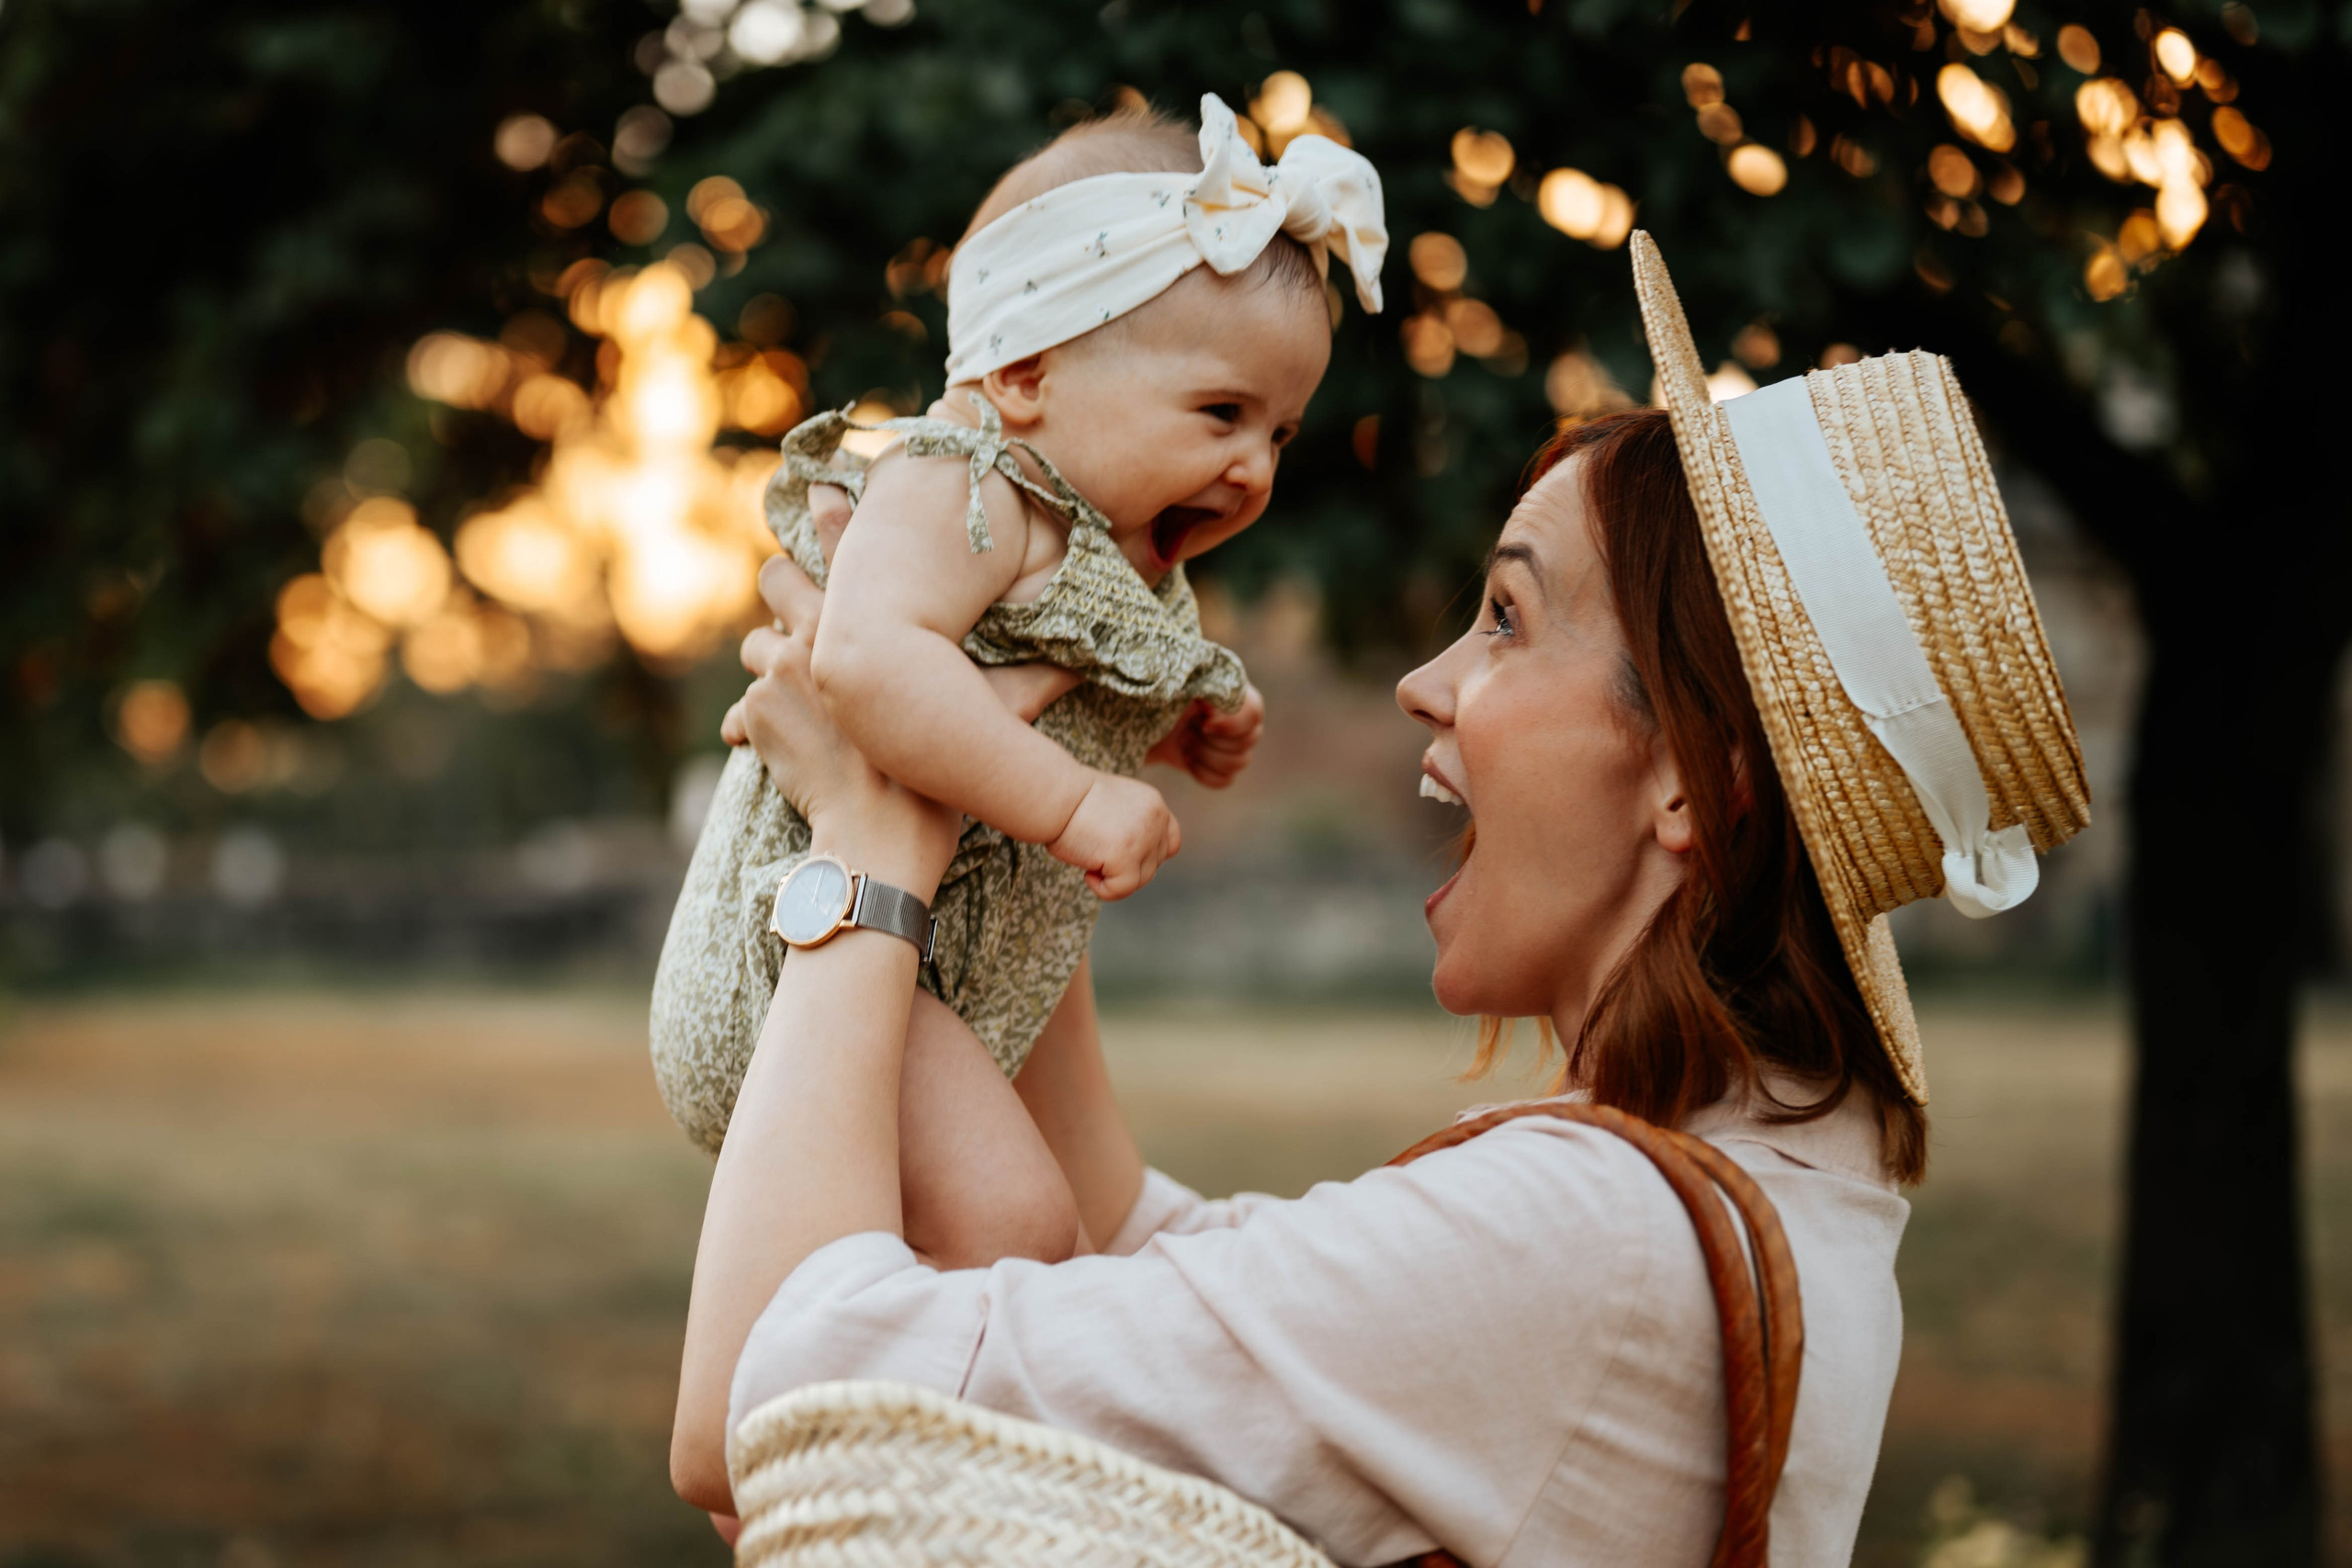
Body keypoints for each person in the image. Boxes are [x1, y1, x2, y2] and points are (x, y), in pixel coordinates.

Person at [668, 233, 2093, 1564]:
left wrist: (862, 843)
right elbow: (1124, 1242)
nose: (1428, 681)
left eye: (1509, 619)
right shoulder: (1721, 1199)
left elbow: (774, 1409)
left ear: (1695, 776)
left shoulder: (1589, 1245)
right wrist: (1015, 784)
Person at [646, 95, 1386, 1269]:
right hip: (813, 947)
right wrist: (1072, 801)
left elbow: (1008, 698)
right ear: (1030, 371)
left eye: (1281, 434)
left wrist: (1159, 735)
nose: (1252, 468)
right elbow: (868, 663)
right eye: (1221, 413)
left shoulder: (1107, 543)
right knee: (1016, 1226)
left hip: (941, 965)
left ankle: (951, 1409)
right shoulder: (961, 483)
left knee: (1062, 1237)